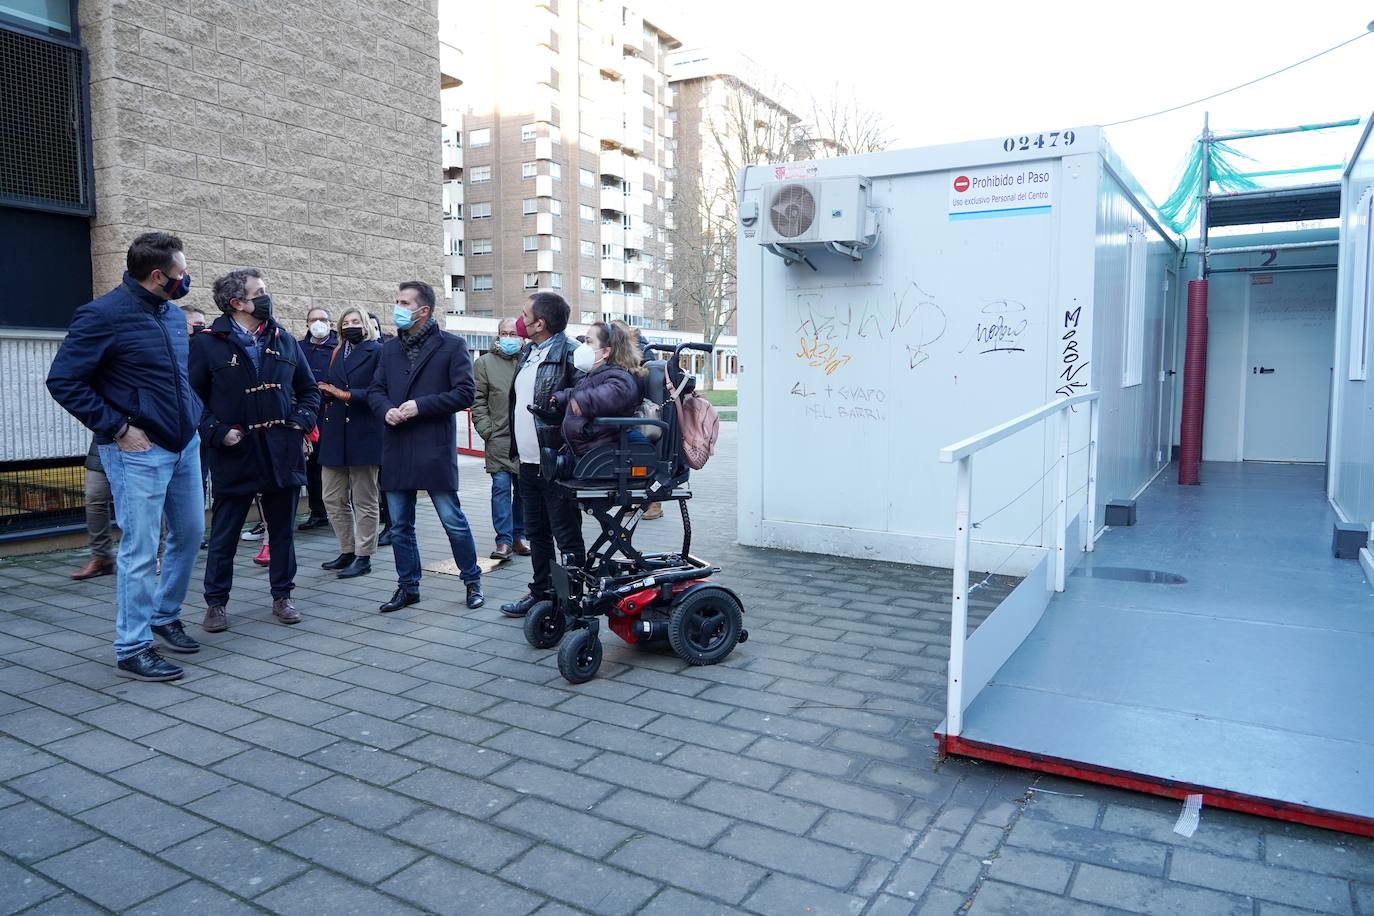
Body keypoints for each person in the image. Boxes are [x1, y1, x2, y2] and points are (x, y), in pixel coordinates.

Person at [46, 232, 204, 680]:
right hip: (138, 451)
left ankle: (164, 615)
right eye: (180, 273)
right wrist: (117, 428)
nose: (185, 279)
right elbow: (64, 381)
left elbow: (175, 378)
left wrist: (195, 417)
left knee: (190, 533)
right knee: (140, 548)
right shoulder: (102, 315)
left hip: (183, 445)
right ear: (158, 275)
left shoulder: (172, 315)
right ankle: (132, 647)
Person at [190, 268, 320, 632]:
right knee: (226, 532)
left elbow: (308, 390)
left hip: (282, 448)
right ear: (237, 303)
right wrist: (216, 432)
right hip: (236, 451)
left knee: (282, 530)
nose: (266, 297)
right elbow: (192, 398)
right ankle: (216, 603)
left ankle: (283, 595)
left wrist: (301, 421)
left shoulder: (284, 339)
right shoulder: (207, 343)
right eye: (258, 292)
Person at [367, 281, 485, 612]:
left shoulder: (451, 345)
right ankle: (408, 586)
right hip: (397, 445)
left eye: (404, 302)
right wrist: (384, 408)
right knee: (400, 525)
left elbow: (465, 393)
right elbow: (375, 389)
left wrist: (421, 405)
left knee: (453, 519)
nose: (397, 307)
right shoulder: (388, 348)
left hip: (433, 447)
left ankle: (472, 580)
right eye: (397, 301)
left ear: (424, 310)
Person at [499, 292, 585, 619]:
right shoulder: (529, 352)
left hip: (557, 462)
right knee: (535, 532)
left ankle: (572, 599)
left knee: (566, 533)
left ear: (540, 323)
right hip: (527, 461)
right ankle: (542, 592)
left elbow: (583, 405)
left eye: (524, 315)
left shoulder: (573, 354)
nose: (519, 321)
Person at [316, 306, 383, 578]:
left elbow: (380, 390)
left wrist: (345, 394)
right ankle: (347, 548)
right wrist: (328, 393)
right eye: (346, 322)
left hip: (363, 431)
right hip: (335, 433)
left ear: (365, 324)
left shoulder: (376, 351)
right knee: (332, 496)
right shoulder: (336, 351)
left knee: (365, 499)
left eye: (356, 321)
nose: (350, 326)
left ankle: (364, 555)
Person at [472, 318, 529, 561]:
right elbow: (478, 399)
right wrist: (488, 430)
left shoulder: (529, 360)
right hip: (499, 438)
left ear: (522, 337)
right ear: (497, 335)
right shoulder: (484, 363)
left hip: (526, 438)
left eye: (513, 333)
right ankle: (503, 541)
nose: (508, 337)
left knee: (524, 491)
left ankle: (520, 536)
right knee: (501, 488)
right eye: (504, 333)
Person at [555, 322, 648, 455]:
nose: (583, 347)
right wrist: (562, 398)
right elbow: (578, 393)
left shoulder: (620, 376)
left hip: (600, 448)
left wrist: (585, 401)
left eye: (589, 342)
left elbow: (611, 394)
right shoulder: (594, 375)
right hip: (587, 447)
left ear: (605, 351)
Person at [611, 319, 662, 520]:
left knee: (640, 449)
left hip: (642, 411)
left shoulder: (638, 351)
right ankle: (637, 500)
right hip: (636, 410)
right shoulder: (634, 349)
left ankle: (654, 500)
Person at [297, 305, 336, 530]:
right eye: (314, 319)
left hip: (332, 414)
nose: (318, 323)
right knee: (311, 467)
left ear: (331, 324)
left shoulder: (338, 348)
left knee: (335, 467)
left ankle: (339, 511)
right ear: (307, 324)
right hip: (309, 416)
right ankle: (317, 512)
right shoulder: (299, 347)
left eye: (323, 319)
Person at [70, 438, 115, 580]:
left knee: (145, 499)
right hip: (105, 441)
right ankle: (102, 557)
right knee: (95, 497)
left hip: (143, 442)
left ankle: (154, 556)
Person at [370, 311, 395, 547]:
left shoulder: (387, 349)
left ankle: (391, 524)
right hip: (366, 423)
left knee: (387, 477)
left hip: (386, 422)